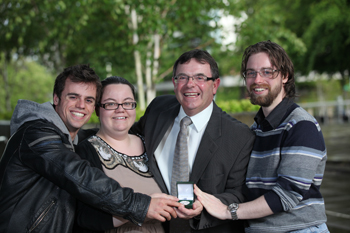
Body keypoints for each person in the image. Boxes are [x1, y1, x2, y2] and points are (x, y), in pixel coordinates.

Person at [0, 64, 180, 233]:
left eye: (88, 99)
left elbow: (115, 129)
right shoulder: (37, 133)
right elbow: (78, 175)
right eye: (73, 97)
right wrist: (141, 205)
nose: (81, 105)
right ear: (56, 98)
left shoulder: (72, 139)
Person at [194, 40, 329, 233]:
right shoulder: (257, 128)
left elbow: (286, 195)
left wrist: (227, 210)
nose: (257, 80)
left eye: (268, 72)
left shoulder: (301, 126)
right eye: (251, 73)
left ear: (285, 76)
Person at [131, 49, 255, 232]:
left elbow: (238, 194)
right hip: (154, 227)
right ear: (174, 83)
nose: (190, 84)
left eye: (200, 78)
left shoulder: (239, 136)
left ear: (215, 85)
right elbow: (125, 138)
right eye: (183, 77)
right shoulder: (158, 110)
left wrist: (202, 208)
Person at [74, 76, 167, 233]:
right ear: (97, 109)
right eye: (111, 104)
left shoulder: (151, 144)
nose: (121, 109)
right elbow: (82, 216)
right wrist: (142, 208)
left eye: (127, 103)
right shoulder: (84, 152)